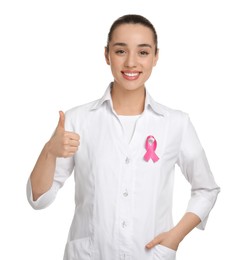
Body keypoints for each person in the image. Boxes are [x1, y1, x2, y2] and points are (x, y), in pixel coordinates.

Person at [27, 14, 220, 260]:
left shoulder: (175, 124)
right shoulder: (78, 120)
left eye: (143, 52)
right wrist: (49, 151)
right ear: (107, 54)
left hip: (151, 255)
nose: (131, 62)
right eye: (120, 51)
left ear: (155, 57)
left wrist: (175, 237)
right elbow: (39, 199)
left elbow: (206, 189)